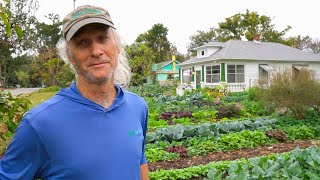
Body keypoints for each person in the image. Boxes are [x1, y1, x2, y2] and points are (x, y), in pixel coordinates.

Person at [0, 5, 149, 180]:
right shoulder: (39, 124)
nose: (96, 51)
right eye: (82, 43)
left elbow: (139, 161)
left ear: (117, 46)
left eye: (103, 38)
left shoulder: (137, 107)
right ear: (70, 56)